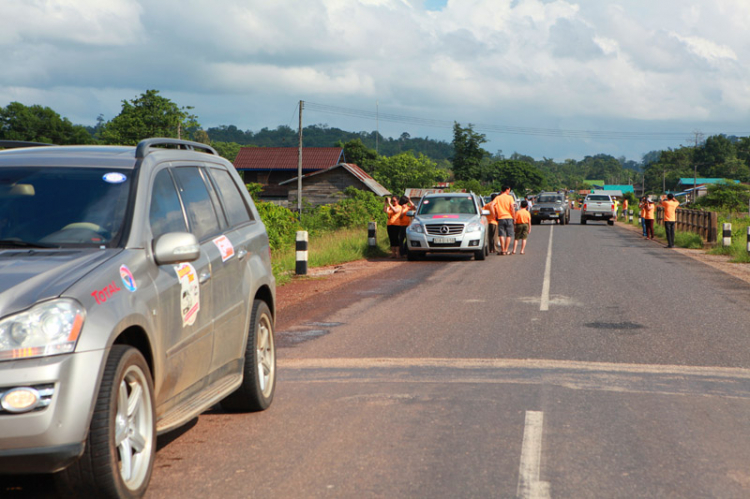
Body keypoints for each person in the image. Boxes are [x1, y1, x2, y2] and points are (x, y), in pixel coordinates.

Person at [493, 185, 515, 255]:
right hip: (509, 217)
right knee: (509, 234)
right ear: (507, 189)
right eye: (509, 190)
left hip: (500, 218)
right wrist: (514, 217)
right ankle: (506, 249)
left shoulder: (498, 198)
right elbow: (512, 208)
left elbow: (491, 205)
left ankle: (502, 250)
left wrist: (495, 214)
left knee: (501, 234)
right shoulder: (510, 197)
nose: (509, 191)